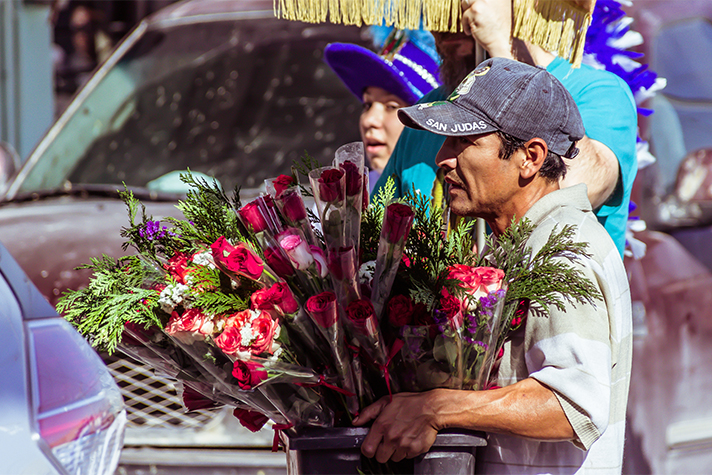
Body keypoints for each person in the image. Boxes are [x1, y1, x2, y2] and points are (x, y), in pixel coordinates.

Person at [354, 57, 633, 474]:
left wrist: (437, 408)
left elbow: (573, 405)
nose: (442, 159)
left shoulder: (564, 249)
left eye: (462, 142)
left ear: (530, 157)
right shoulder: (517, 244)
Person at [371, 0, 638, 257]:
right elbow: (374, 237)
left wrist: (503, 47)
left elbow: (572, 188)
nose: (452, 17)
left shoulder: (599, 92)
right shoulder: (430, 107)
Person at [324, 29, 441, 191]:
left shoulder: (456, 196)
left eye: (391, 106)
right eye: (367, 105)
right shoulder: (344, 198)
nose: (368, 120)